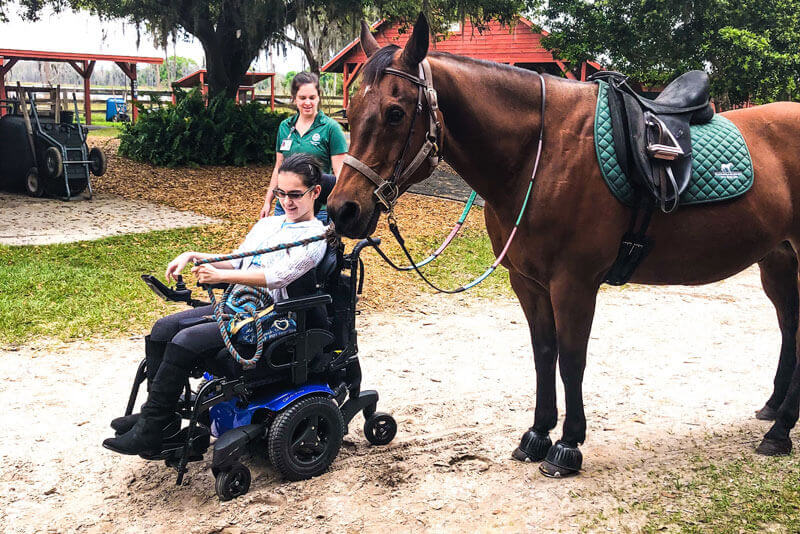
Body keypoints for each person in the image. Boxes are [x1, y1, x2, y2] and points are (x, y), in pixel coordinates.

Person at [104, 154, 329, 456]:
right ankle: (160, 421)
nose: (286, 201)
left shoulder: (316, 236)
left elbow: (278, 277)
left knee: (185, 340)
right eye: (280, 193)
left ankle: (151, 429)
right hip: (241, 307)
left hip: (271, 316)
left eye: (294, 195)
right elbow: (238, 257)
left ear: (314, 192)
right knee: (163, 328)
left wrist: (221, 275)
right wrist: (194, 255)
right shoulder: (270, 225)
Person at [260, 72, 348, 222]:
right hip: (285, 205)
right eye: (302, 98)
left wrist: (340, 205)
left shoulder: (331, 128)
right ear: (294, 99)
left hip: (318, 209)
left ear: (318, 97)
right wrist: (268, 201)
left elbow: (340, 173)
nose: (308, 102)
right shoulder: (285, 127)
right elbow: (278, 167)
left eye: (312, 98)